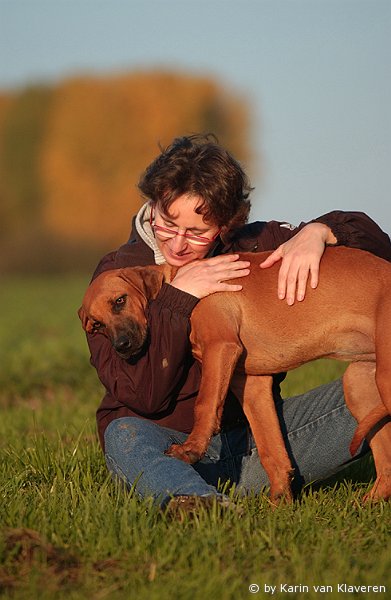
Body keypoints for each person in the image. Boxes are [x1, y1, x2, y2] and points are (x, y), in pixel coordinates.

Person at [85, 134, 391, 511]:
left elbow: (379, 248)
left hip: (254, 446)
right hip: (167, 451)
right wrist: (178, 299)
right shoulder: (115, 279)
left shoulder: (254, 244)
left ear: (226, 225)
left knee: (364, 391)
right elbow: (144, 396)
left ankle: (285, 485)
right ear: (153, 205)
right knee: (123, 435)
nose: (179, 244)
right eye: (167, 224)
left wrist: (323, 231)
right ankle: (195, 501)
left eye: (197, 232)